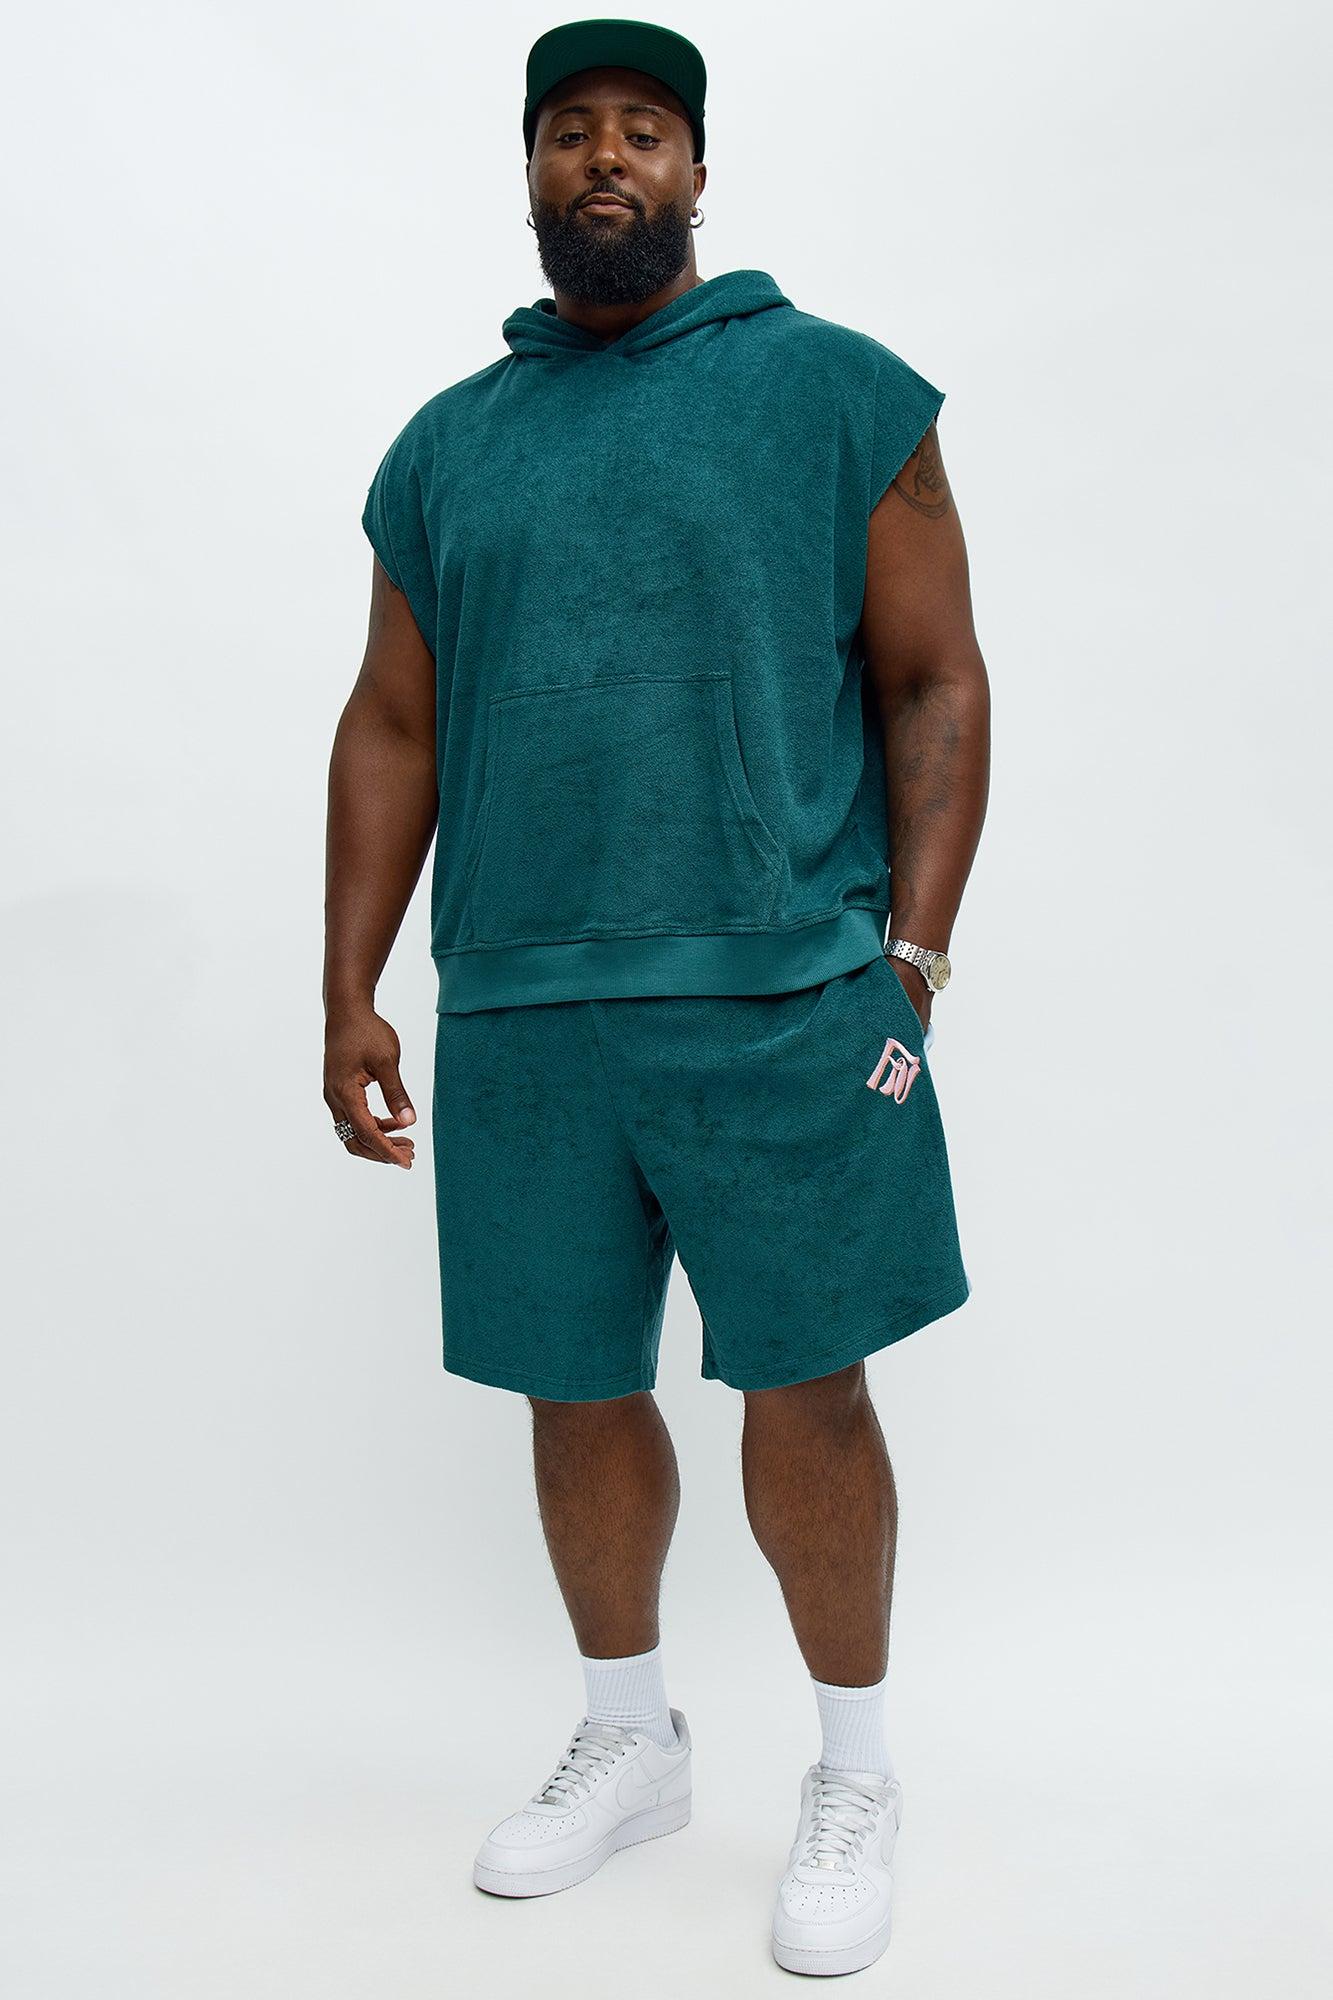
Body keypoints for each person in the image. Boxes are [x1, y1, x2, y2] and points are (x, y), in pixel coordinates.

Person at [323, 17, 990, 1978]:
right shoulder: (445, 447)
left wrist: (913, 960)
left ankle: (852, 1772)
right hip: (522, 1007)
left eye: (641, 130)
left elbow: (936, 677)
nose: (602, 158)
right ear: (530, 171)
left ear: (697, 171)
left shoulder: (835, 391)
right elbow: (389, 723)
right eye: (566, 131)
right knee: (573, 1385)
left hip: (785, 994)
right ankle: (632, 1740)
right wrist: (349, 986)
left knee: (808, 1388)